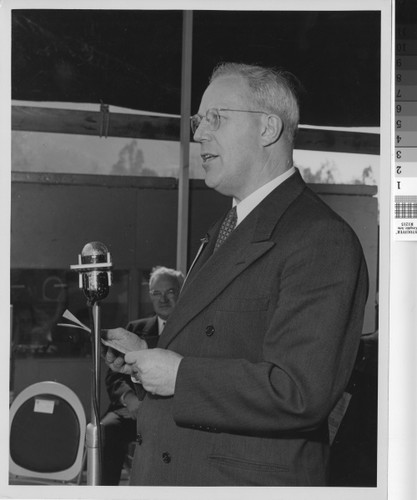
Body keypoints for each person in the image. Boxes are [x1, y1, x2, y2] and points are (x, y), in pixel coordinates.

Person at [102, 62, 369, 486]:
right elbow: (226, 342)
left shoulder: (321, 239)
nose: (198, 134)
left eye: (216, 118)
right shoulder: (227, 231)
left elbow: (299, 392)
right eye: (198, 120)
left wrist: (178, 374)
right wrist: (148, 353)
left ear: (267, 129)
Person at [100, 266, 184, 485]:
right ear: (150, 296)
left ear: (182, 292)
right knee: (106, 430)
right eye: (157, 293)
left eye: (171, 292)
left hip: (174, 413)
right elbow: (114, 376)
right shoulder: (134, 330)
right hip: (133, 410)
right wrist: (130, 399)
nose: (163, 299)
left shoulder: (191, 332)